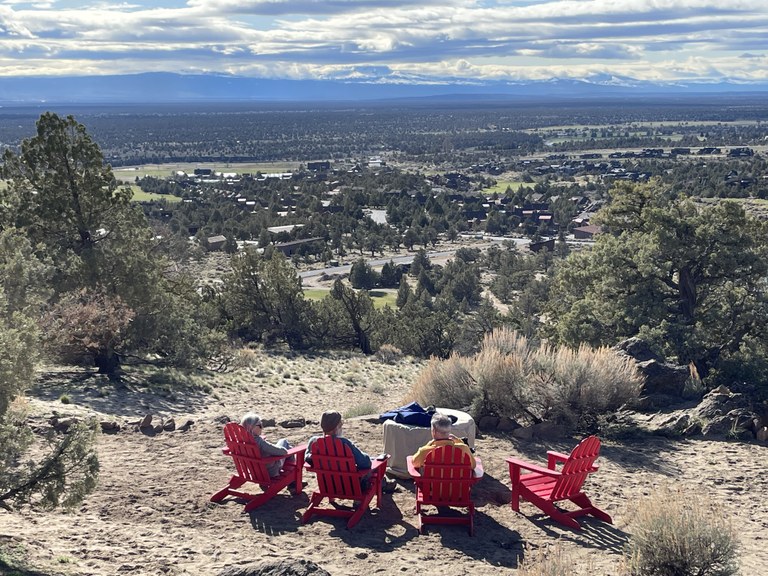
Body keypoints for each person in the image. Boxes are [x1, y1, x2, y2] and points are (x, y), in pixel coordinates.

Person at [411, 413, 481, 476]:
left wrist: (429, 444)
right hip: (458, 488)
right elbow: (473, 466)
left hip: (432, 489)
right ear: (449, 431)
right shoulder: (464, 448)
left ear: (433, 431)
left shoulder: (424, 451)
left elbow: (414, 463)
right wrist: (458, 441)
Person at [305, 410, 372, 473]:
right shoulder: (344, 443)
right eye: (341, 424)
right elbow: (365, 463)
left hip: (325, 482)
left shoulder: (314, 442)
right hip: (350, 482)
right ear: (337, 427)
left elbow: (307, 459)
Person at [241, 412, 295, 478]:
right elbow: (283, 452)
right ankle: (293, 479)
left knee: (286, 445)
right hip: (270, 471)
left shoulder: (241, 441)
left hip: (254, 471)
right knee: (284, 442)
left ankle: (292, 479)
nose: (262, 428)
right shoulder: (259, 442)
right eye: (260, 425)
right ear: (251, 427)